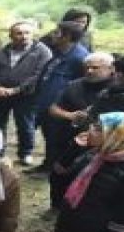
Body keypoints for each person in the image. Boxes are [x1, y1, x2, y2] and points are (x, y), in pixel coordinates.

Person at [44, 52, 116, 217]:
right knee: (58, 173)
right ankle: (56, 206)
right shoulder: (74, 85)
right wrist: (71, 115)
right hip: (70, 138)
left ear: (111, 69)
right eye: (87, 68)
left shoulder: (117, 89)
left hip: (100, 142)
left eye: (95, 68)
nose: (90, 71)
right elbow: (53, 109)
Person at [0, 21, 51, 166]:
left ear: (32, 34)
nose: (23, 36)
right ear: (11, 35)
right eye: (19, 33)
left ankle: (25, 153)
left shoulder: (42, 51)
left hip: (26, 96)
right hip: (0, 94)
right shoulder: (4, 50)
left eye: (27, 33)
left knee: (25, 124)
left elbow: (38, 75)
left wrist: (16, 90)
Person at [31, 21, 89, 173]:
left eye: (57, 32)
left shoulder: (80, 58)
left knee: (56, 139)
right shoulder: (56, 50)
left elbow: (83, 84)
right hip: (45, 104)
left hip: (61, 108)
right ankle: (46, 164)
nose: (52, 35)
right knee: (48, 137)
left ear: (67, 36)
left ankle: (52, 169)